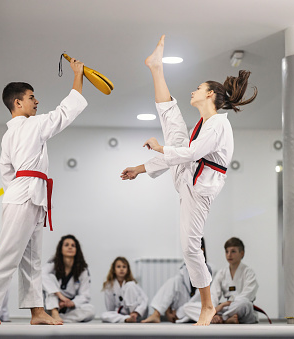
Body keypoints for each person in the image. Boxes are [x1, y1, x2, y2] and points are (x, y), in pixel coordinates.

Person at [121, 35, 257, 326]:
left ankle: (207, 305)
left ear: (210, 95)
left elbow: (192, 153)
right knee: (172, 119)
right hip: (188, 175)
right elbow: (184, 154)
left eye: (199, 88)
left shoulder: (219, 123)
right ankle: (156, 68)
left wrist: (158, 149)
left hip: (199, 189)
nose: (194, 91)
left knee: (189, 247)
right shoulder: (203, 124)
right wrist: (140, 168)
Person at [0, 57, 87, 325]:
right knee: (7, 256)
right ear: (18, 102)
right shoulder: (30, 125)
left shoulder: (9, 134)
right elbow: (64, 113)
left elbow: (6, 174)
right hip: (24, 196)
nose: (37, 102)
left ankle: (37, 311)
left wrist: (14, 199)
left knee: (33, 259)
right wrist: (77, 76)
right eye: (32, 97)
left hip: (26, 194)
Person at [142, 239, 212, 323]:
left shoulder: (208, 271)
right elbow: (172, 292)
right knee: (174, 281)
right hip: (184, 307)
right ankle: (156, 314)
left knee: (190, 308)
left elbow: (197, 299)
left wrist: (178, 313)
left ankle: (179, 316)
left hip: (197, 308)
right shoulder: (184, 269)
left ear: (202, 250)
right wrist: (168, 310)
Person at [42, 235, 95, 323]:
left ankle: (60, 318)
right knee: (50, 277)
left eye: (73, 245)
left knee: (90, 310)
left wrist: (71, 303)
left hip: (69, 307)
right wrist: (59, 295)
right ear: (61, 249)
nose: (70, 247)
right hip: (52, 305)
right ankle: (54, 314)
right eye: (66, 245)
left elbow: (84, 295)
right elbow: (41, 275)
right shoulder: (53, 264)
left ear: (77, 250)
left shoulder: (83, 270)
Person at [210, 237, 258, 324]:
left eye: (233, 251)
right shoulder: (222, 273)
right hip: (226, 309)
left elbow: (247, 296)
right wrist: (214, 308)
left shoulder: (248, 272)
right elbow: (213, 294)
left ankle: (222, 319)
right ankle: (226, 318)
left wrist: (225, 304)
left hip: (241, 308)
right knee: (189, 307)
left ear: (241, 253)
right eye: (227, 251)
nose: (229, 255)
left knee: (244, 304)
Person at [101, 257, 148, 323]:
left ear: (127, 270)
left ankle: (132, 317)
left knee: (129, 285)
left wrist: (136, 312)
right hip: (124, 314)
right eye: (118, 267)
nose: (121, 269)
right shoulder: (109, 286)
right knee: (104, 315)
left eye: (124, 267)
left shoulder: (132, 284)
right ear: (114, 270)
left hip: (138, 313)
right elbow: (110, 309)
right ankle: (127, 319)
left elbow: (144, 300)